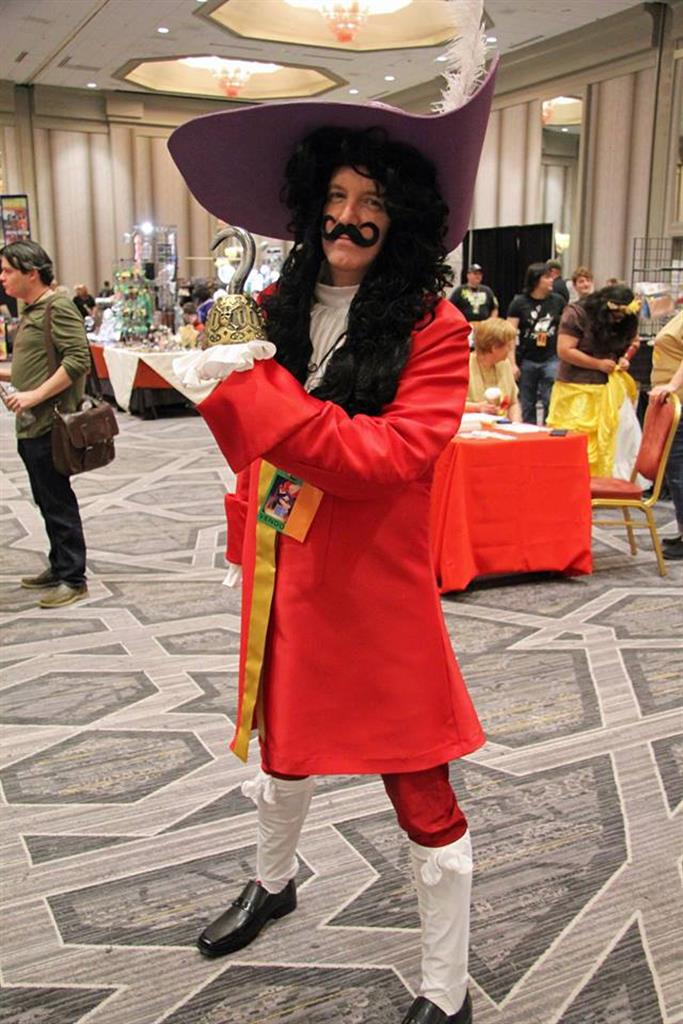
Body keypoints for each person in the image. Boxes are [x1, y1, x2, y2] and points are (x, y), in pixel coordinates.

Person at [169, 43, 497, 1024]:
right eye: (337, 195)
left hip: (377, 588)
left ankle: (445, 988)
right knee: (282, 747)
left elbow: (385, 458)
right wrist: (210, 387)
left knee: (419, 781)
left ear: (403, 219)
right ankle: (272, 883)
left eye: (373, 202)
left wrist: (253, 391)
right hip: (284, 568)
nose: (349, 216)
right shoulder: (273, 307)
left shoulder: (434, 327)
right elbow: (253, 450)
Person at [0, 241, 90, 607]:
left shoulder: (58, 306)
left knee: (57, 501)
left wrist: (34, 396)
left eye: (8, 270)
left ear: (31, 273)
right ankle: (59, 565)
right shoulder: (34, 310)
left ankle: (73, 578)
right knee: (46, 499)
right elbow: (38, 364)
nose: (2, 277)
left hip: (50, 424)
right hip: (32, 425)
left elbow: (78, 359)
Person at [546, 285, 640, 476]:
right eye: (615, 315)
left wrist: (624, 358)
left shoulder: (627, 319)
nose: (618, 319)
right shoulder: (577, 313)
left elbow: (633, 342)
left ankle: (607, 484)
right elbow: (565, 350)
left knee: (614, 442)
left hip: (610, 392)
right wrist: (597, 364)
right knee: (575, 442)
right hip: (575, 388)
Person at [507, 262, 565, 423]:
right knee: (526, 403)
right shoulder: (519, 303)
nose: (551, 280)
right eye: (547, 277)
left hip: (551, 358)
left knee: (550, 400)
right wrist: (512, 363)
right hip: (527, 358)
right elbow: (509, 334)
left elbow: (565, 330)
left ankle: (548, 432)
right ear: (535, 280)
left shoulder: (558, 301)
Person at [650, 310, 683, 560]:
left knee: (678, 472)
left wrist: (672, 385)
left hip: (680, 401)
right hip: (673, 402)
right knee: (675, 471)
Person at [465, 318, 521, 420]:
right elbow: (450, 404)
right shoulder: (464, 366)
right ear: (494, 348)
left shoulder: (505, 364)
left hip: (502, 426)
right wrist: (477, 408)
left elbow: (513, 403)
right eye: (508, 345)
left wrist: (516, 424)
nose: (510, 349)